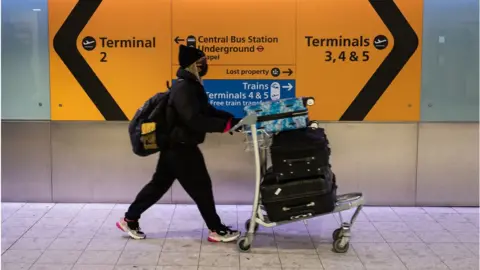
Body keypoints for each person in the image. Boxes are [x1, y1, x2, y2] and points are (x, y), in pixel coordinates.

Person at [117, 44, 241, 243]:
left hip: (175, 146)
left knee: (158, 185)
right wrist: (224, 126)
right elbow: (193, 119)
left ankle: (129, 219)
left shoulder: (191, 85)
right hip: (181, 147)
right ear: (193, 65)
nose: (205, 65)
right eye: (201, 62)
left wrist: (232, 121)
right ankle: (216, 229)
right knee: (201, 188)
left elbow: (207, 111)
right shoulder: (184, 87)